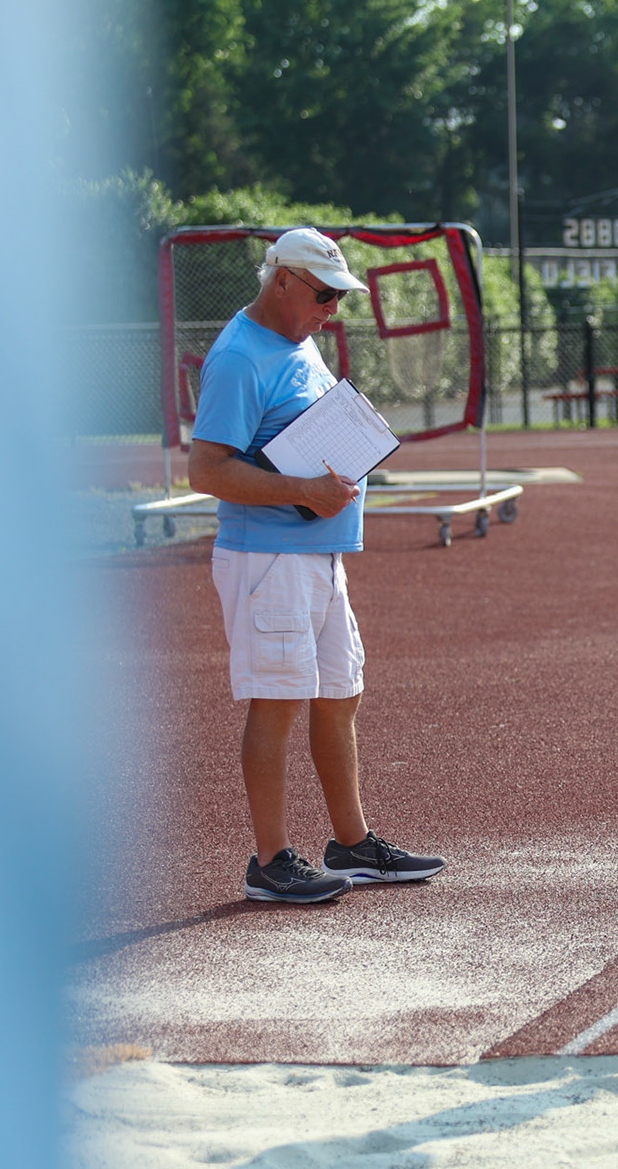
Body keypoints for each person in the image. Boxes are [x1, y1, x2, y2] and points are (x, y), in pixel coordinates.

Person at [187, 228, 447, 903]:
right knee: (276, 703)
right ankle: (270, 861)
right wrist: (304, 490)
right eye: (323, 295)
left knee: (341, 692)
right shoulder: (241, 356)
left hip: (314, 553)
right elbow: (207, 468)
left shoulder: (297, 342)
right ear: (282, 281)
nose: (331, 309)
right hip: (267, 556)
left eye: (338, 298)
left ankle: (352, 844)